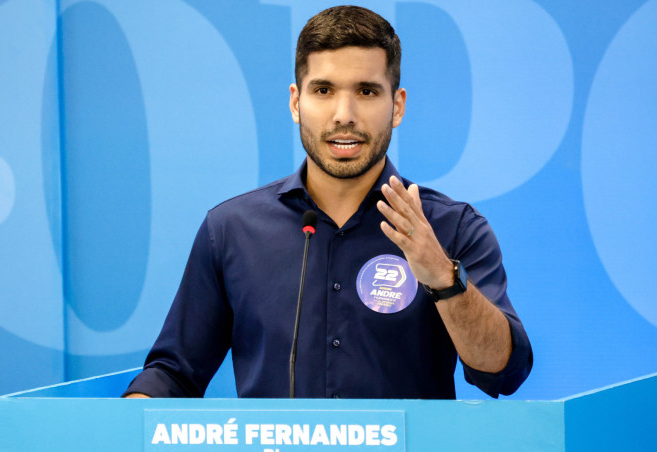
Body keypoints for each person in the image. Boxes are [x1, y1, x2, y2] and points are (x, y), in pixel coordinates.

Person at [124, 5, 532, 399]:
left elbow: (503, 372)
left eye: (367, 91)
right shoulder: (231, 230)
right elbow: (174, 375)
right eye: (323, 90)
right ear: (296, 102)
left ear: (397, 106)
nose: (344, 114)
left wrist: (444, 277)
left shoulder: (451, 228)